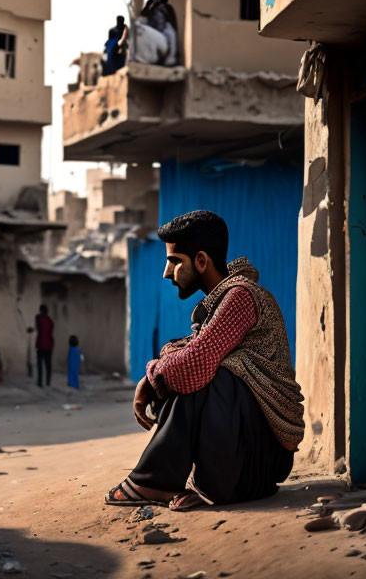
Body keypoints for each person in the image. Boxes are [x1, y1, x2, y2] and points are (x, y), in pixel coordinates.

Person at [105, 211, 304, 511]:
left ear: (201, 261)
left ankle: (152, 483)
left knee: (202, 375)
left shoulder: (240, 297)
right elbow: (182, 350)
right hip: (243, 461)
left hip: (259, 461)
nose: (166, 272)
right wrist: (162, 366)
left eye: (174, 261)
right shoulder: (221, 300)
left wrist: (152, 376)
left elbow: (193, 363)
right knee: (194, 370)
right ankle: (160, 483)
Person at [35, 304, 54, 387]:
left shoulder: (39, 318)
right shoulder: (50, 321)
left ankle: (40, 382)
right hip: (49, 345)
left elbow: (38, 327)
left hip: (41, 345)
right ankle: (48, 382)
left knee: (40, 365)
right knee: (48, 365)